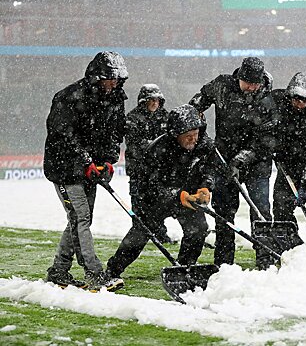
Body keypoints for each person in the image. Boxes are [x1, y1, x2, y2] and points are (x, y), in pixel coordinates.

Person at [43, 51, 128, 291]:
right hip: (64, 168)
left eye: (118, 79)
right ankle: (94, 274)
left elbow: (115, 132)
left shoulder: (115, 98)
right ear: (98, 77)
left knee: (79, 219)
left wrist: (108, 161)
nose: (115, 83)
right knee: (81, 218)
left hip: (90, 169)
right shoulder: (68, 97)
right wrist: (86, 161)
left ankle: (59, 271)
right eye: (111, 78)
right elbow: (64, 136)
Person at [106, 104, 214, 280]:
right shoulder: (158, 150)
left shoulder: (204, 145)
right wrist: (177, 195)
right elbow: (150, 185)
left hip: (187, 196)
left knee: (198, 229)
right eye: (188, 137)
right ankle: (113, 270)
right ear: (176, 135)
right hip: (154, 200)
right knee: (140, 234)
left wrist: (205, 186)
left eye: (195, 135)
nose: (193, 140)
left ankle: (185, 267)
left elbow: (209, 169)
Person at [189, 57, 274, 266]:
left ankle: (265, 257)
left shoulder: (268, 99)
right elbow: (200, 99)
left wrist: (241, 160)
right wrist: (197, 112)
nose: (251, 88)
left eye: (255, 84)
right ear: (240, 77)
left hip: (257, 163)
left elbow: (266, 140)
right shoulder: (222, 86)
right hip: (223, 159)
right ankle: (224, 261)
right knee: (224, 212)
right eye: (248, 83)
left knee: (260, 209)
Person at [260, 72, 306, 226]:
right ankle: (286, 236)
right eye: (295, 98)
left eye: (303, 100)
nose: (298, 103)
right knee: (281, 203)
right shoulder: (276, 101)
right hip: (286, 161)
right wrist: (273, 146)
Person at [125, 84, 172, 244]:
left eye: (157, 100)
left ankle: (160, 234)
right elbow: (134, 144)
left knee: (159, 203)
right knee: (138, 202)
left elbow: (171, 139)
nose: (154, 103)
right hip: (138, 169)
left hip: (160, 170)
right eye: (151, 100)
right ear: (143, 101)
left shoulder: (165, 117)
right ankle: (138, 235)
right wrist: (155, 148)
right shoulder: (132, 118)